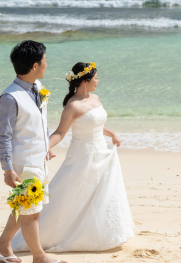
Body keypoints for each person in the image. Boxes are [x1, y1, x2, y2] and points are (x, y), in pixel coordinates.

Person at [10, 62, 135, 253]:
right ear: (84, 81)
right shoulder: (73, 106)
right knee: (71, 194)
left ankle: (99, 233)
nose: (98, 81)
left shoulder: (95, 98)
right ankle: (41, 235)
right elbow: (60, 132)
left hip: (101, 152)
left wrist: (112, 134)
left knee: (101, 193)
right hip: (82, 157)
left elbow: (96, 123)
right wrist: (44, 148)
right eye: (95, 78)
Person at [0, 40, 68, 263]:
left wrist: (46, 146)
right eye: (44, 60)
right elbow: (3, 136)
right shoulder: (10, 98)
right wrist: (7, 169)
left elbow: (39, 123)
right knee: (32, 213)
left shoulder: (37, 87)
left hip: (39, 159)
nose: (47, 64)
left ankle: (3, 245)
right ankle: (39, 257)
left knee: (24, 207)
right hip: (23, 164)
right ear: (34, 65)